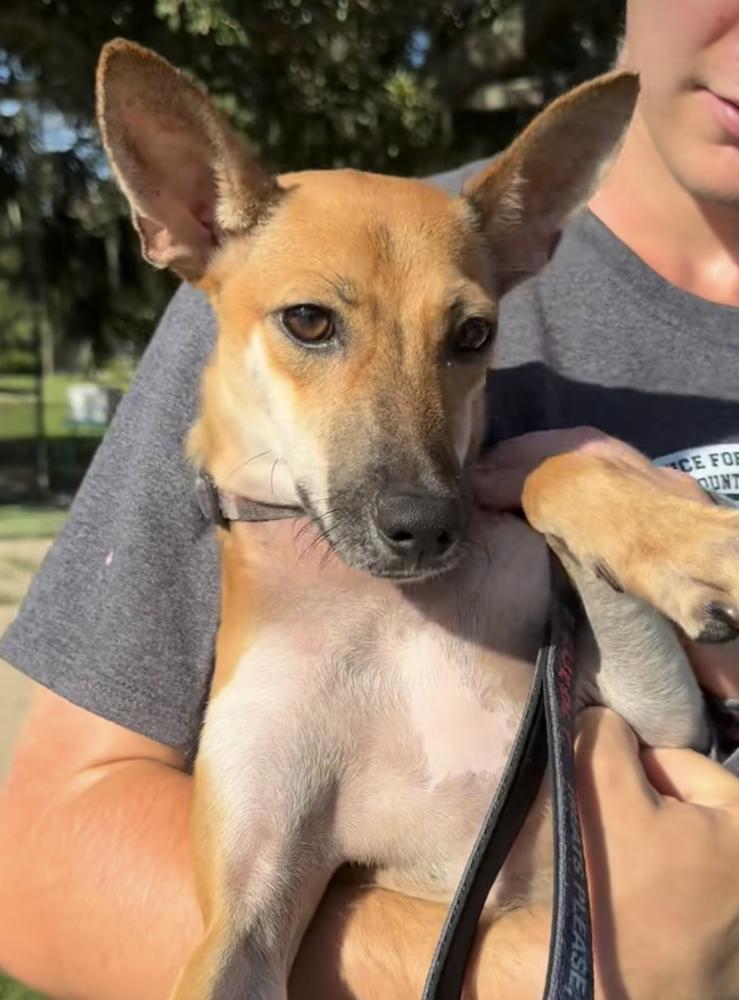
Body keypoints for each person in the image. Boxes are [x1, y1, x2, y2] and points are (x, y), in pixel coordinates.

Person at [1, 0, 739, 996]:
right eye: (314, 324)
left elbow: (665, 715)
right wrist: (544, 969)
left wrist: (587, 497)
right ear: (181, 215)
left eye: (463, 339)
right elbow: (47, 856)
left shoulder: (476, 267)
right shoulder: (256, 308)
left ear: (530, 243)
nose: (415, 470)